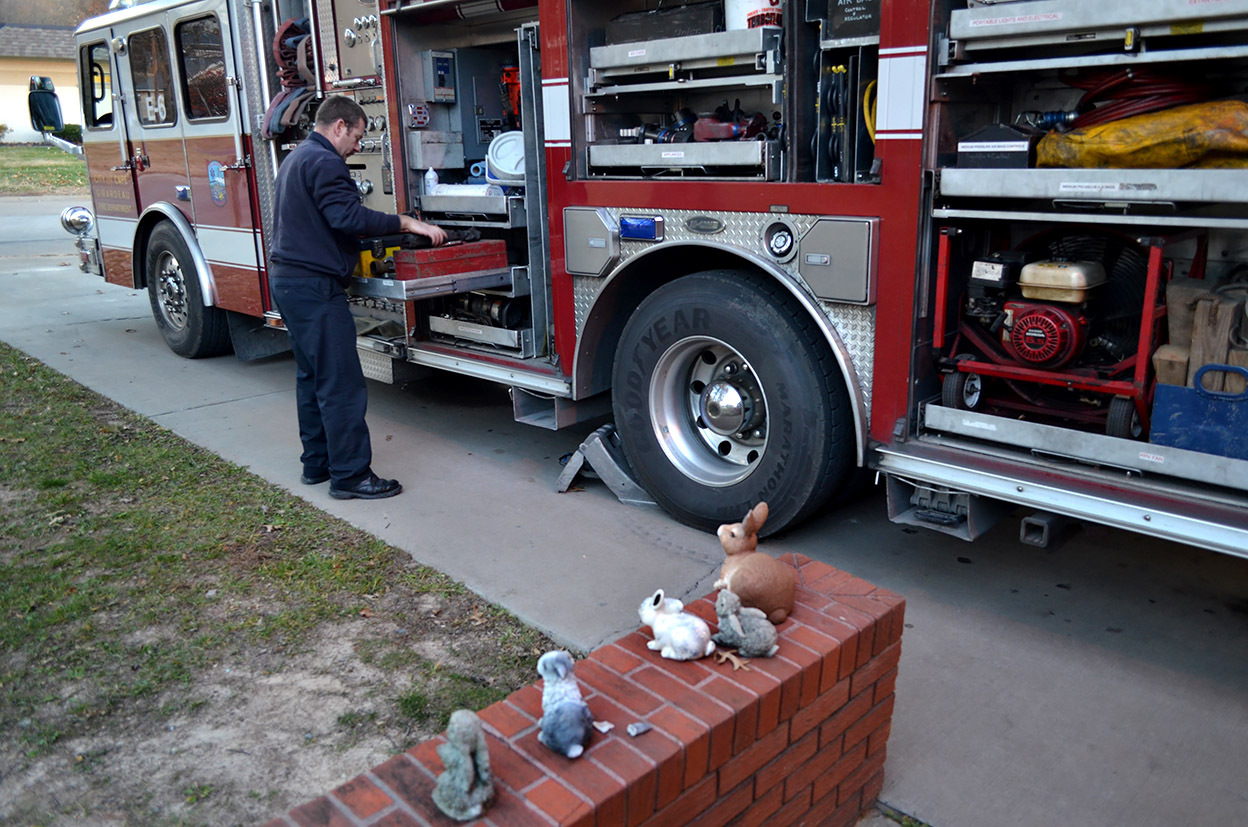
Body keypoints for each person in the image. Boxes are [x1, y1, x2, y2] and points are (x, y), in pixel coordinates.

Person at [269, 95, 446, 500]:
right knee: (341, 384)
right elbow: (347, 218)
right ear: (340, 127)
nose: (358, 146)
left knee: (312, 378)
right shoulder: (326, 161)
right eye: (358, 136)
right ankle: (350, 476)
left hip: (290, 282)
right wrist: (404, 222)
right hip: (314, 287)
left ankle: (317, 464)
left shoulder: (297, 158)